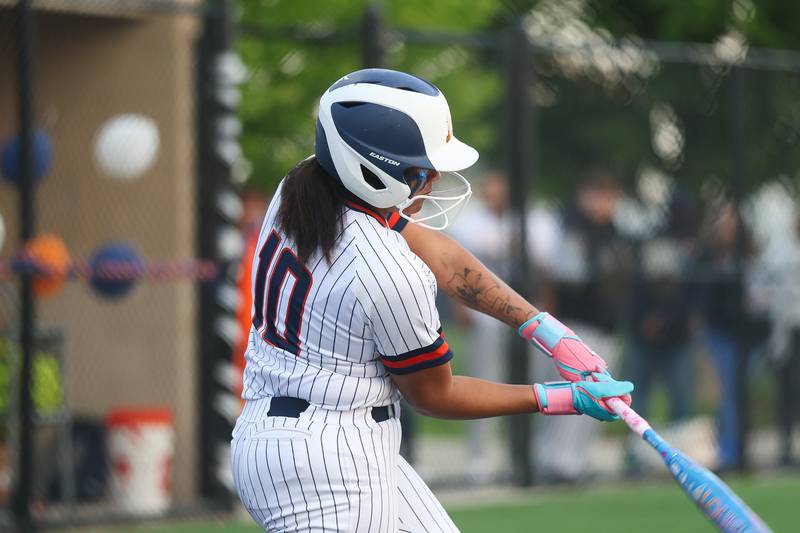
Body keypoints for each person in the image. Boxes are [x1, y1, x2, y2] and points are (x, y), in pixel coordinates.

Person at [230, 68, 633, 532]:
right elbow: (435, 395)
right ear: (373, 168)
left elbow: (440, 255)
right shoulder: (387, 273)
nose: (435, 177)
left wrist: (541, 326)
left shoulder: (304, 187)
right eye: (421, 167)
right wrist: (558, 397)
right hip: (328, 462)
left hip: (295, 437)